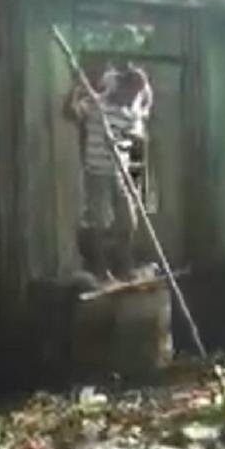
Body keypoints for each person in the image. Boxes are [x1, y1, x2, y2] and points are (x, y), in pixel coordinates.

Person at [64, 59, 146, 288]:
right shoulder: (97, 105)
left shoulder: (129, 114)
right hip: (97, 172)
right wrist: (76, 87)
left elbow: (135, 140)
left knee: (128, 221)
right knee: (99, 223)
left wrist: (121, 144)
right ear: (123, 87)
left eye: (137, 94)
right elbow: (69, 113)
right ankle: (101, 271)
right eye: (132, 92)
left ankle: (125, 266)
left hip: (120, 173)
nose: (134, 97)